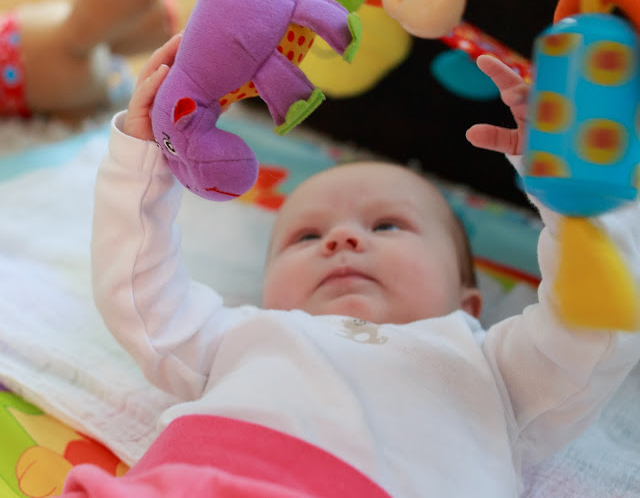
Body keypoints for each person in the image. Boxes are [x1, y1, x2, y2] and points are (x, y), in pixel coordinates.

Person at [62, 35, 640, 498]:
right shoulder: (238, 337)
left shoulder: (493, 368)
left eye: (387, 226)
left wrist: (572, 194)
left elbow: (597, 319)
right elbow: (137, 289)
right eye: (305, 237)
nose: (340, 238)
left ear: (468, 302)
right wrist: (145, 154)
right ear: (267, 291)